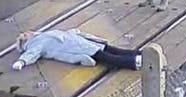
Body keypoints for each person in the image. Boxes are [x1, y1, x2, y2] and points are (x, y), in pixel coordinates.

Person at [11, 29, 142, 71]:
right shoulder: (36, 43)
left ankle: (138, 55)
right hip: (74, 47)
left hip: (78, 41)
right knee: (107, 57)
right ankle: (133, 62)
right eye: (24, 34)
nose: (27, 32)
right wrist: (22, 62)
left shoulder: (41, 35)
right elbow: (31, 54)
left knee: (111, 50)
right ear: (25, 41)